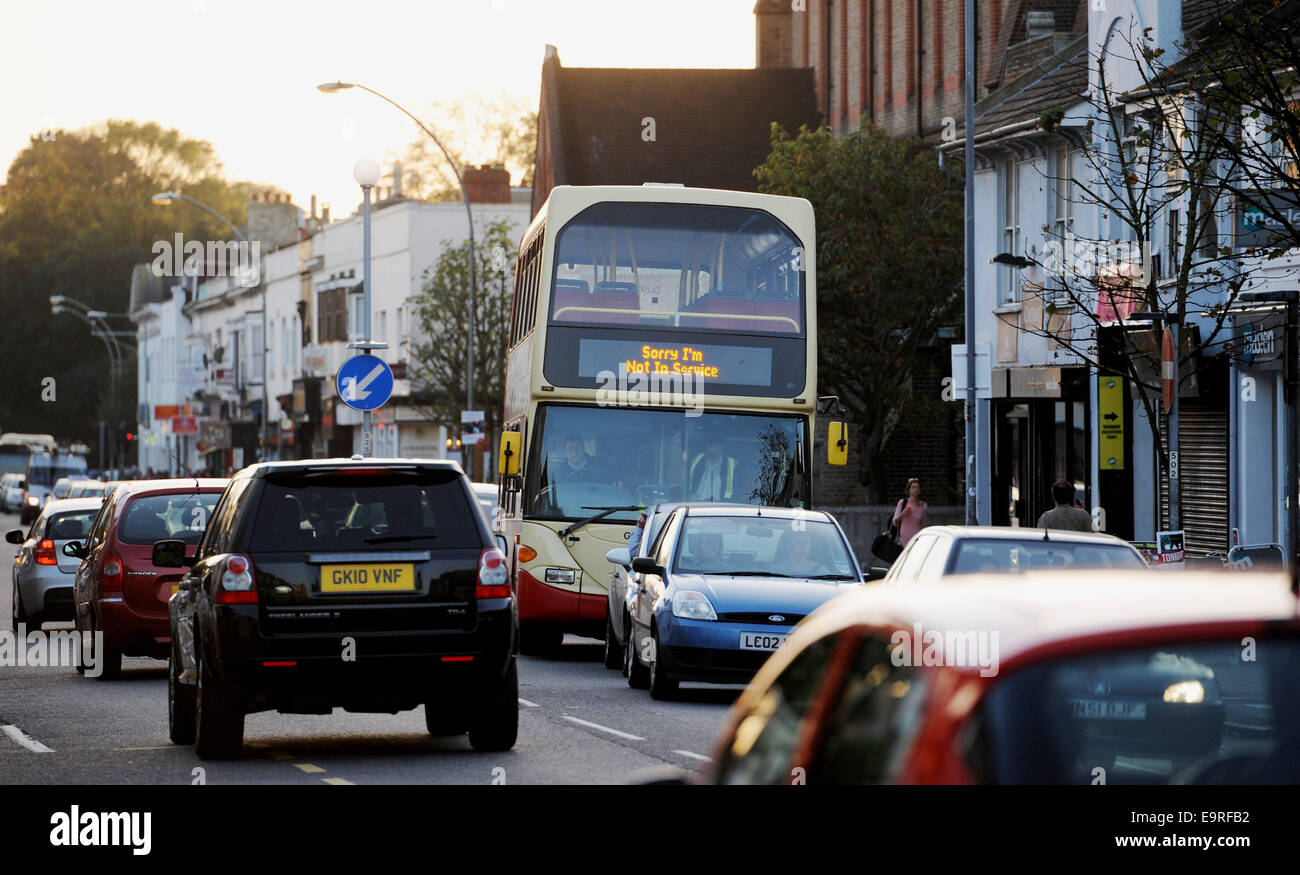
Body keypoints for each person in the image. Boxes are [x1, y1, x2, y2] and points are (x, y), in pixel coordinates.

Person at [892, 477, 928, 548]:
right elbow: (895, 521)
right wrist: (902, 514)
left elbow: (923, 524)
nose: (916, 490)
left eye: (918, 487)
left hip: (917, 537)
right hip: (903, 538)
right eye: (913, 487)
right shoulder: (902, 503)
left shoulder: (923, 505)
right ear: (909, 490)